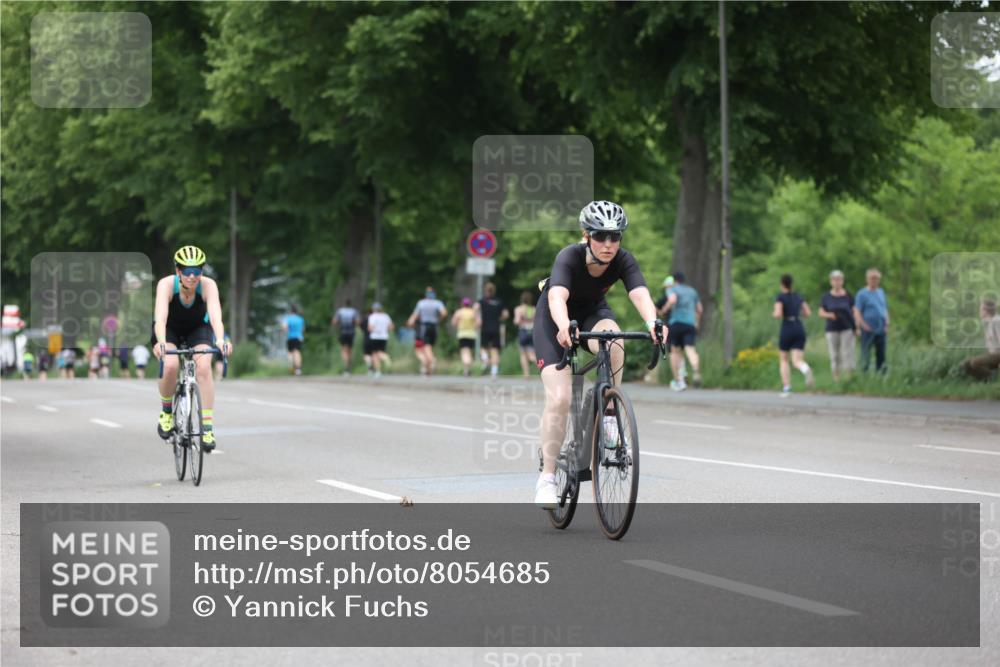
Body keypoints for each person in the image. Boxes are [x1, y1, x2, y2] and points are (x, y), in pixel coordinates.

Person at [533, 200, 665, 508]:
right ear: (586, 235)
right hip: (555, 318)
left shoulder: (622, 260)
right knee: (561, 398)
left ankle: (608, 413)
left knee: (615, 340)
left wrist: (654, 323)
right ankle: (547, 477)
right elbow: (556, 296)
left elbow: (639, 293)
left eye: (614, 237)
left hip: (592, 313)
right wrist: (564, 326)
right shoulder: (569, 256)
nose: (608, 244)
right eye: (600, 236)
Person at [151, 246, 232, 452]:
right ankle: (167, 412)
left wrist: (221, 339)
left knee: (204, 366)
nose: (192, 276)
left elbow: (215, 317)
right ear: (178, 271)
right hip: (169, 329)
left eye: (197, 271)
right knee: (170, 364)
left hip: (197, 329)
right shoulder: (166, 285)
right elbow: (160, 318)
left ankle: (207, 428)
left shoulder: (208, 285)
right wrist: (161, 342)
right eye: (187, 271)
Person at [773, 273, 814, 397]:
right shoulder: (798, 297)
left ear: (782, 284)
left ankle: (787, 387)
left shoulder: (780, 297)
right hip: (799, 326)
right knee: (797, 360)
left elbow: (778, 314)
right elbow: (808, 313)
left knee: (784, 359)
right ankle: (805, 369)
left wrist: (774, 314)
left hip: (787, 327)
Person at [662, 271, 702, 390]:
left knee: (675, 351)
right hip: (690, 324)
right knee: (690, 349)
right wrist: (697, 324)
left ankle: (678, 380)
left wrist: (664, 310)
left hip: (676, 323)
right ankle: (696, 370)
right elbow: (699, 309)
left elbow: (672, 300)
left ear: (674, 280)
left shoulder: (673, 289)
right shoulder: (692, 291)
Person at [818, 269, 855, 381]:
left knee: (847, 352)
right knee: (834, 354)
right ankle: (836, 378)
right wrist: (829, 315)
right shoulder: (826, 297)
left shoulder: (848, 295)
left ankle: (849, 377)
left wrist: (856, 326)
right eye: (834, 280)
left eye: (839, 280)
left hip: (846, 327)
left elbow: (854, 311)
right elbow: (820, 312)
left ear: (842, 281)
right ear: (831, 281)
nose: (837, 282)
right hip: (832, 328)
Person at [854, 267, 889, 374]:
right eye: (872, 278)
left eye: (876, 278)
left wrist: (887, 323)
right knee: (866, 353)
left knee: (881, 353)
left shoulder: (881, 292)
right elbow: (857, 311)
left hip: (881, 327)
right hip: (867, 328)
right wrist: (861, 326)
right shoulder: (862, 294)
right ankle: (864, 375)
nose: (874, 280)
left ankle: (882, 375)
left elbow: (884, 308)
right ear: (867, 279)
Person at [406, 287, 447, 376]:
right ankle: (428, 367)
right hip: (435, 326)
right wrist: (438, 319)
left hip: (424, 326)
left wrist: (411, 324)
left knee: (426, 346)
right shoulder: (438, 303)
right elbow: (444, 313)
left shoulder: (421, 303)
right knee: (430, 346)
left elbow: (414, 316)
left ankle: (432, 361)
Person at [960, 297, 1000, 381]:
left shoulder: (997, 322)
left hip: (997, 355)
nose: (979, 312)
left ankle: (991, 379)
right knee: (965, 364)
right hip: (992, 354)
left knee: (975, 362)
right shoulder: (988, 322)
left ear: (986, 310)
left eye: (981, 309)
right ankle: (984, 381)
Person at [476, 282, 509, 379]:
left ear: (486, 290)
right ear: (494, 290)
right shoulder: (499, 301)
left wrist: (478, 319)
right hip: (496, 328)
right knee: (495, 351)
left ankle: (485, 360)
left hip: (485, 328)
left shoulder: (482, 300)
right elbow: (506, 314)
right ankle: (494, 373)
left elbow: (475, 308)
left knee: (483, 348)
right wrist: (500, 318)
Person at [332, 299, 360, 376]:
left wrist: (339, 324)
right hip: (352, 332)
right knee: (350, 350)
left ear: (344, 304)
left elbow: (334, 322)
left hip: (343, 332)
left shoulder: (340, 311)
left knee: (344, 350)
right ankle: (349, 366)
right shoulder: (354, 311)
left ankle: (346, 367)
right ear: (350, 304)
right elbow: (358, 322)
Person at [513, 291, 537, 377]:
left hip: (523, 331)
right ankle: (540, 366)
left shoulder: (519, 309)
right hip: (532, 332)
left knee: (523, 353)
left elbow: (516, 321)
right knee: (532, 354)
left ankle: (526, 374)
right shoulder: (533, 309)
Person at [451, 297, 478, 376]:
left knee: (464, 351)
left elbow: (453, 323)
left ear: (462, 304)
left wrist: (459, 326)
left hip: (462, 334)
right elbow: (478, 323)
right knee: (469, 351)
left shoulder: (459, 312)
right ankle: (468, 368)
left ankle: (466, 368)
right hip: (472, 334)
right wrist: (473, 327)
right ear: (469, 304)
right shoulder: (473, 312)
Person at [367, 302, 394, 378]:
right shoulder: (386, 316)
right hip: (384, 337)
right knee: (381, 352)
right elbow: (391, 327)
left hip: (375, 336)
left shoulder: (372, 316)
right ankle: (385, 358)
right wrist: (384, 330)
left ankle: (378, 371)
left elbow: (370, 328)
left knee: (375, 354)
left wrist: (376, 330)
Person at [281, 305, 305, 376]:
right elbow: (303, 329)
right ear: (296, 311)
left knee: (290, 353)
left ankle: (291, 367)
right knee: (297, 352)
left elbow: (284, 327)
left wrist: (287, 331)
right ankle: (298, 369)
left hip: (290, 337)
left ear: (290, 311)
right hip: (299, 337)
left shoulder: (287, 318)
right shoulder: (300, 319)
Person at [359, 307, 374, 375]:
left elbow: (360, 326)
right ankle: (375, 368)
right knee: (374, 353)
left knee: (366, 355)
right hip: (375, 338)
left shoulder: (365, 318)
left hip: (367, 337)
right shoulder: (376, 318)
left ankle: (370, 367)